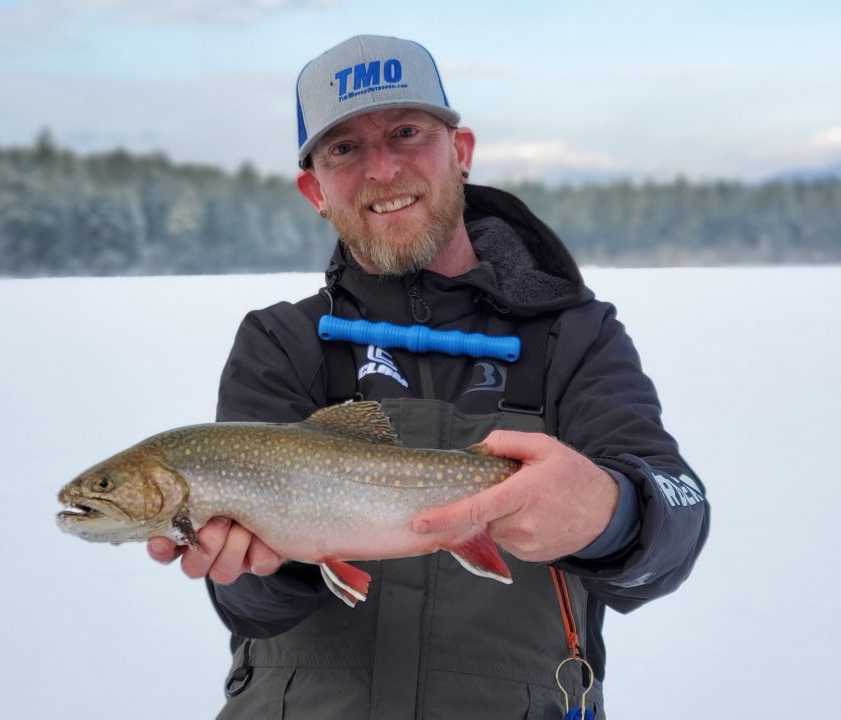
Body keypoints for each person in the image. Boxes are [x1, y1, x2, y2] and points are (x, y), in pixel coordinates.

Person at [148, 34, 709, 718]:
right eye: (344, 149)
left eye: (406, 132)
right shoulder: (281, 341)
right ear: (313, 190)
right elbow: (252, 610)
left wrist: (611, 511)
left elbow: (680, 518)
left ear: (461, 152)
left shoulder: (575, 336)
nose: (382, 169)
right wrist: (264, 564)